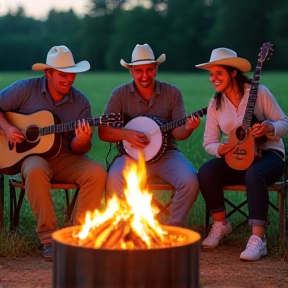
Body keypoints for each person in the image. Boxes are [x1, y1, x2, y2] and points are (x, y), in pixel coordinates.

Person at [0, 45, 107, 260]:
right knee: (35, 169)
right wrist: (8, 128)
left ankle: (80, 236)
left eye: (72, 75)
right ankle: (49, 240)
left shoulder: (81, 102)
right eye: (63, 75)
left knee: (97, 172)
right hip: (32, 157)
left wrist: (83, 139)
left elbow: (81, 149)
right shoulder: (25, 89)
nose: (69, 80)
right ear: (48, 73)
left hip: (67, 157)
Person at [195, 47, 288, 261]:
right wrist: (221, 149)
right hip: (237, 156)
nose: (213, 78)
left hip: (269, 156)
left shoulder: (259, 92)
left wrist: (268, 128)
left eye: (219, 73)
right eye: (211, 73)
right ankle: (221, 224)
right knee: (206, 172)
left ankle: (258, 240)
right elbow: (209, 142)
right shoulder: (215, 104)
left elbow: (284, 122)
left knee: (254, 174)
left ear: (233, 72)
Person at [98, 43, 200, 228]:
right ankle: (124, 228)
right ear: (131, 71)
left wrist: (189, 128)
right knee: (114, 177)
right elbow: (103, 132)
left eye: (149, 70)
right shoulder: (120, 94)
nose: (144, 75)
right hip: (131, 156)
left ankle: (171, 228)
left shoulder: (172, 93)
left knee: (190, 179)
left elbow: (178, 132)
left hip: (166, 154)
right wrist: (126, 134)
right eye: (138, 71)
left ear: (156, 69)